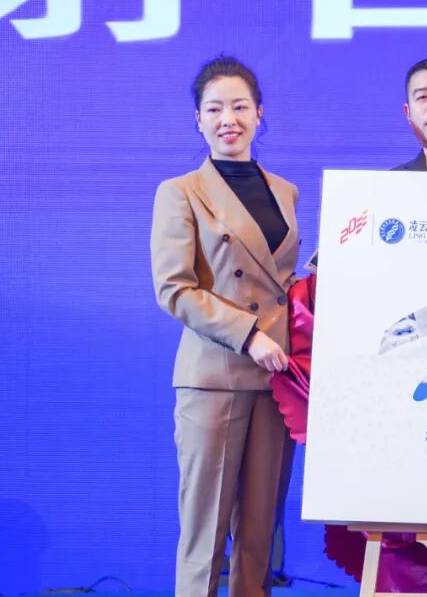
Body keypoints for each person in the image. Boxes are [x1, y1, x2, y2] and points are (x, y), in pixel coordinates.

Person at [151, 56, 299, 597]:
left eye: (239, 106)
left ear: (259, 113)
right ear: (198, 120)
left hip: (276, 378)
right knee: (205, 532)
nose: (228, 119)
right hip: (215, 376)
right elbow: (174, 288)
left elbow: (277, 281)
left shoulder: (285, 191)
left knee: (260, 534)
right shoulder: (180, 191)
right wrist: (248, 334)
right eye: (214, 109)